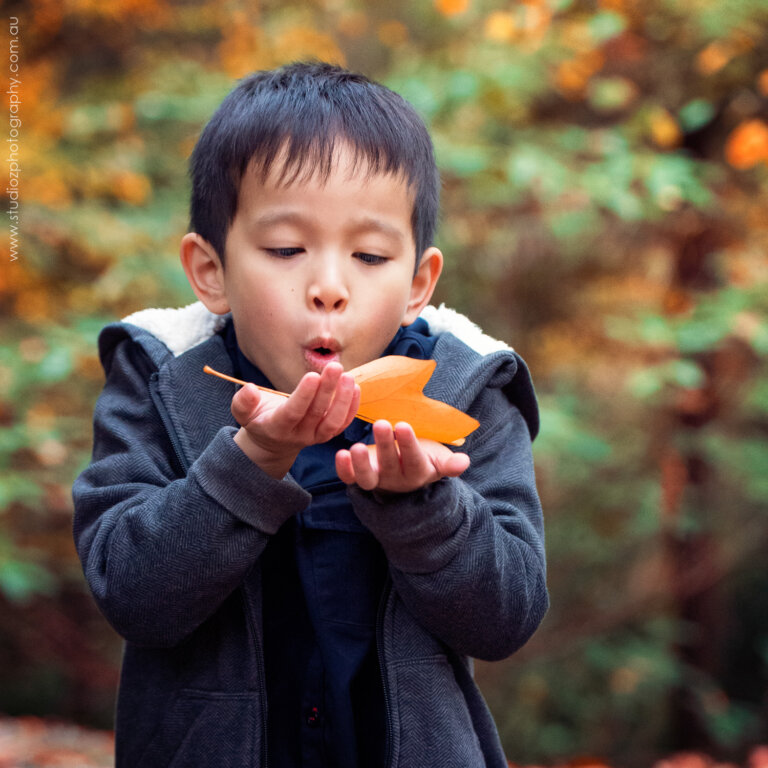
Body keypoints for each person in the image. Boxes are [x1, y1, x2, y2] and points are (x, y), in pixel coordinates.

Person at [72, 61, 548, 768]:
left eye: (370, 254)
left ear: (419, 281)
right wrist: (248, 466)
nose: (329, 287)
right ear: (211, 271)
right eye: (286, 249)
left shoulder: (464, 391)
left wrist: (424, 506)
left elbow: (506, 618)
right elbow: (133, 595)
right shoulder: (161, 379)